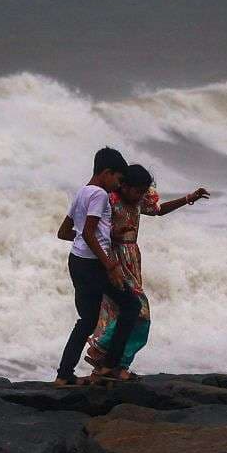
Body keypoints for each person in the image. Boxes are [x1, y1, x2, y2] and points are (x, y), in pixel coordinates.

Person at [84, 164, 210, 374]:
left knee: (124, 313)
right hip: (114, 259)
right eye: (137, 191)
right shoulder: (111, 200)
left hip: (132, 258)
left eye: (144, 192)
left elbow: (159, 210)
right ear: (124, 186)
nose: (141, 195)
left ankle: (114, 365)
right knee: (138, 310)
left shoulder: (140, 200)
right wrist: (115, 233)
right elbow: (96, 230)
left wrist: (188, 198)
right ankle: (102, 349)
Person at [53, 147, 140, 386]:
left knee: (88, 320)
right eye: (118, 179)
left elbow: (64, 232)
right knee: (132, 305)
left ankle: (64, 375)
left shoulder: (81, 193)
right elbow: (89, 233)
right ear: (106, 173)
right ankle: (110, 366)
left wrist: (107, 234)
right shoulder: (100, 195)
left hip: (77, 261)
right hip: (93, 264)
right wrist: (111, 266)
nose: (119, 186)